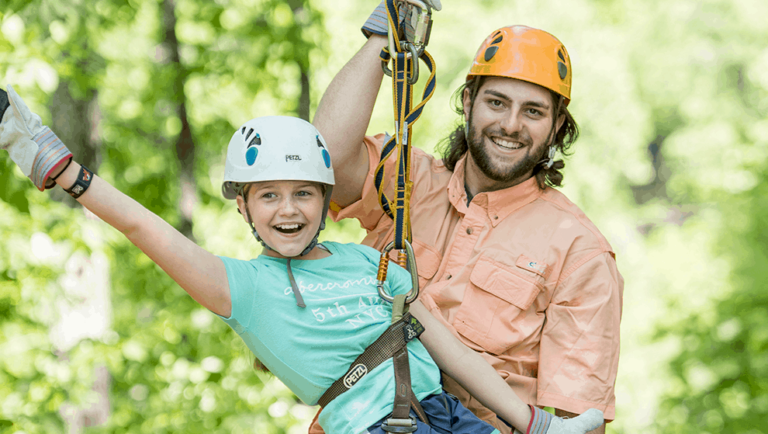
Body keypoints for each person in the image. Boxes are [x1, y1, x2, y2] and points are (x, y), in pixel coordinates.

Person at [0, 87, 605, 434]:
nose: (287, 211)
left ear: (325, 199)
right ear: (243, 206)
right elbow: (143, 226)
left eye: (303, 194)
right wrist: (56, 164)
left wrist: (538, 425)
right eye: (268, 195)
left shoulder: (369, 263)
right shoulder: (244, 286)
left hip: (450, 416)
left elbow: (451, 351)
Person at [308, 3, 624, 434]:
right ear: (469, 101)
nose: (511, 125)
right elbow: (321, 158)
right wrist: (386, 33)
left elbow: (576, 422)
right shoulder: (406, 181)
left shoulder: (579, 251)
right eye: (497, 102)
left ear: (556, 128)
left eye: (533, 111)